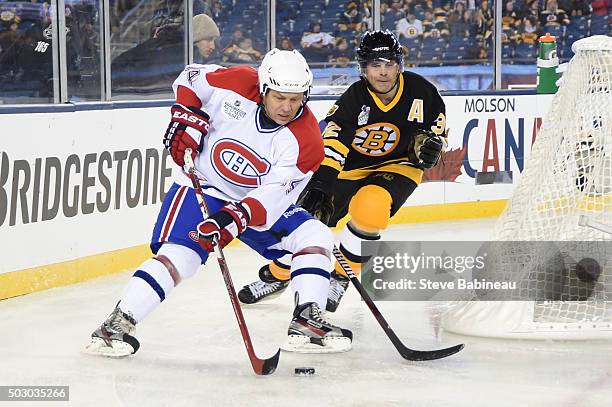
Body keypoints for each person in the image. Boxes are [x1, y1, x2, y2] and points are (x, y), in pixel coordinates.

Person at [85, 49, 353, 357]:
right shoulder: (238, 82)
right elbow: (190, 78)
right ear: (263, 88)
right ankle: (117, 324)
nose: (287, 107)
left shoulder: (307, 142)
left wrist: (233, 218)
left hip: (254, 202)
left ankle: (307, 319)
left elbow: (272, 199)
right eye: (279, 97)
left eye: (295, 99)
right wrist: (186, 115)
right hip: (202, 184)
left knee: (315, 235)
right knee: (181, 255)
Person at [238, 30, 446, 312]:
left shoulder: (423, 92)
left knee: (371, 208)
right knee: (309, 225)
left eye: (388, 64)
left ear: (399, 64)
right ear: (364, 68)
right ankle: (279, 275)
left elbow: (438, 137)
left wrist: (431, 147)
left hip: (398, 166)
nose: (383, 72)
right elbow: (334, 144)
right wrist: (321, 185)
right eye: (375, 65)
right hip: (350, 168)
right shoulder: (353, 99)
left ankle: (339, 276)